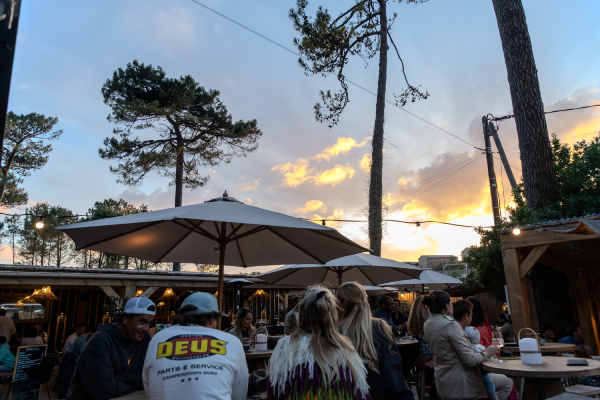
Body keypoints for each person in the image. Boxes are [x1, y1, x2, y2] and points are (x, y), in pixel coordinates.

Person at [267, 286, 370, 400]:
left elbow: (276, 390)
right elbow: (360, 392)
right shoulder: (346, 347)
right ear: (332, 314)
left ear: (302, 313)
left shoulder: (287, 345)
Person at [143, 292, 248, 400]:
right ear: (212, 320)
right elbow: (239, 394)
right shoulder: (231, 341)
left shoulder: (157, 339)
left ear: (181, 316)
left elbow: (149, 390)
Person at [423, 291, 512, 400]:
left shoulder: (428, 323)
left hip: (443, 382)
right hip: (461, 384)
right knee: (505, 383)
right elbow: (470, 359)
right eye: (451, 304)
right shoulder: (450, 324)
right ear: (446, 306)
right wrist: (487, 353)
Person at [66, 297, 156, 400]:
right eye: (142, 322)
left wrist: (123, 377)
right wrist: (135, 384)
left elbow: (153, 378)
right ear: (126, 318)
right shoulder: (100, 341)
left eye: (149, 323)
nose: (146, 329)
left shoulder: (144, 341)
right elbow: (105, 390)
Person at [338, 282, 413, 400]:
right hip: (380, 393)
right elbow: (392, 373)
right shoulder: (380, 327)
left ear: (342, 303)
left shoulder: (335, 332)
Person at [465, 326, 498, 400]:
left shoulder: (469, 347)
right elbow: (488, 357)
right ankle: (493, 395)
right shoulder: (478, 348)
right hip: (480, 372)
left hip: (476, 372)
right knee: (489, 381)